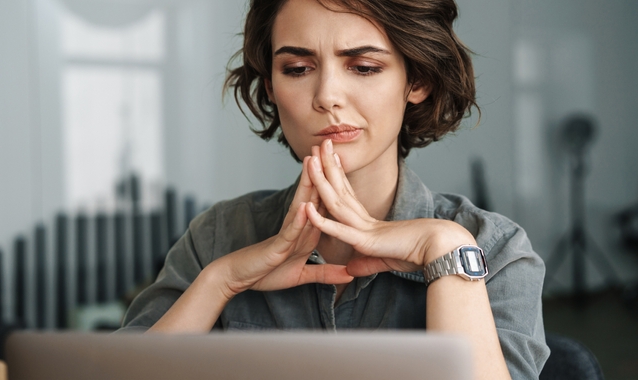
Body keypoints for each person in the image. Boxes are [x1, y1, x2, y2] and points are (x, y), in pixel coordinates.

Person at [120, 0, 550, 378]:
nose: (326, 95)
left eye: (363, 67)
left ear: (417, 81)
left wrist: (444, 246)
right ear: (271, 86)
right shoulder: (218, 236)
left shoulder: (495, 251)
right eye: (297, 69)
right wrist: (220, 281)